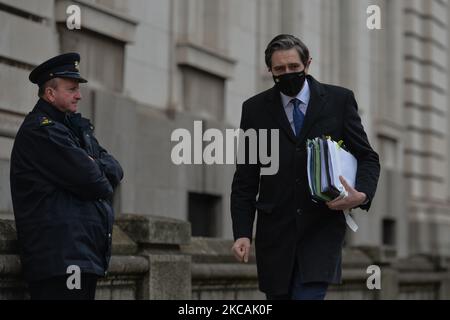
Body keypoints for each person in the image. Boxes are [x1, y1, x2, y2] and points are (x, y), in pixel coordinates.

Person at [230, 34, 380, 300]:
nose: (287, 74)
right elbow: (245, 178)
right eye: (279, 69)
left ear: (307, 64)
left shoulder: (339, 100)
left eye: (293, 67)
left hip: (320, 232)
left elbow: (368, 157)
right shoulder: (254, 110)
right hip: (274, 236)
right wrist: (242, 232)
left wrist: (361, 195)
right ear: (270, 71)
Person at [10, 52, 124, 300]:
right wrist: (93, 166)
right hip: (61, 260)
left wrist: (94, 165)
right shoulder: (42, 132)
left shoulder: (73, 129)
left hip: (79, 257)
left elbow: (115, 167)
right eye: (72, 89)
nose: (79, 95)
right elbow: (96, 183)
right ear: (50, 94)